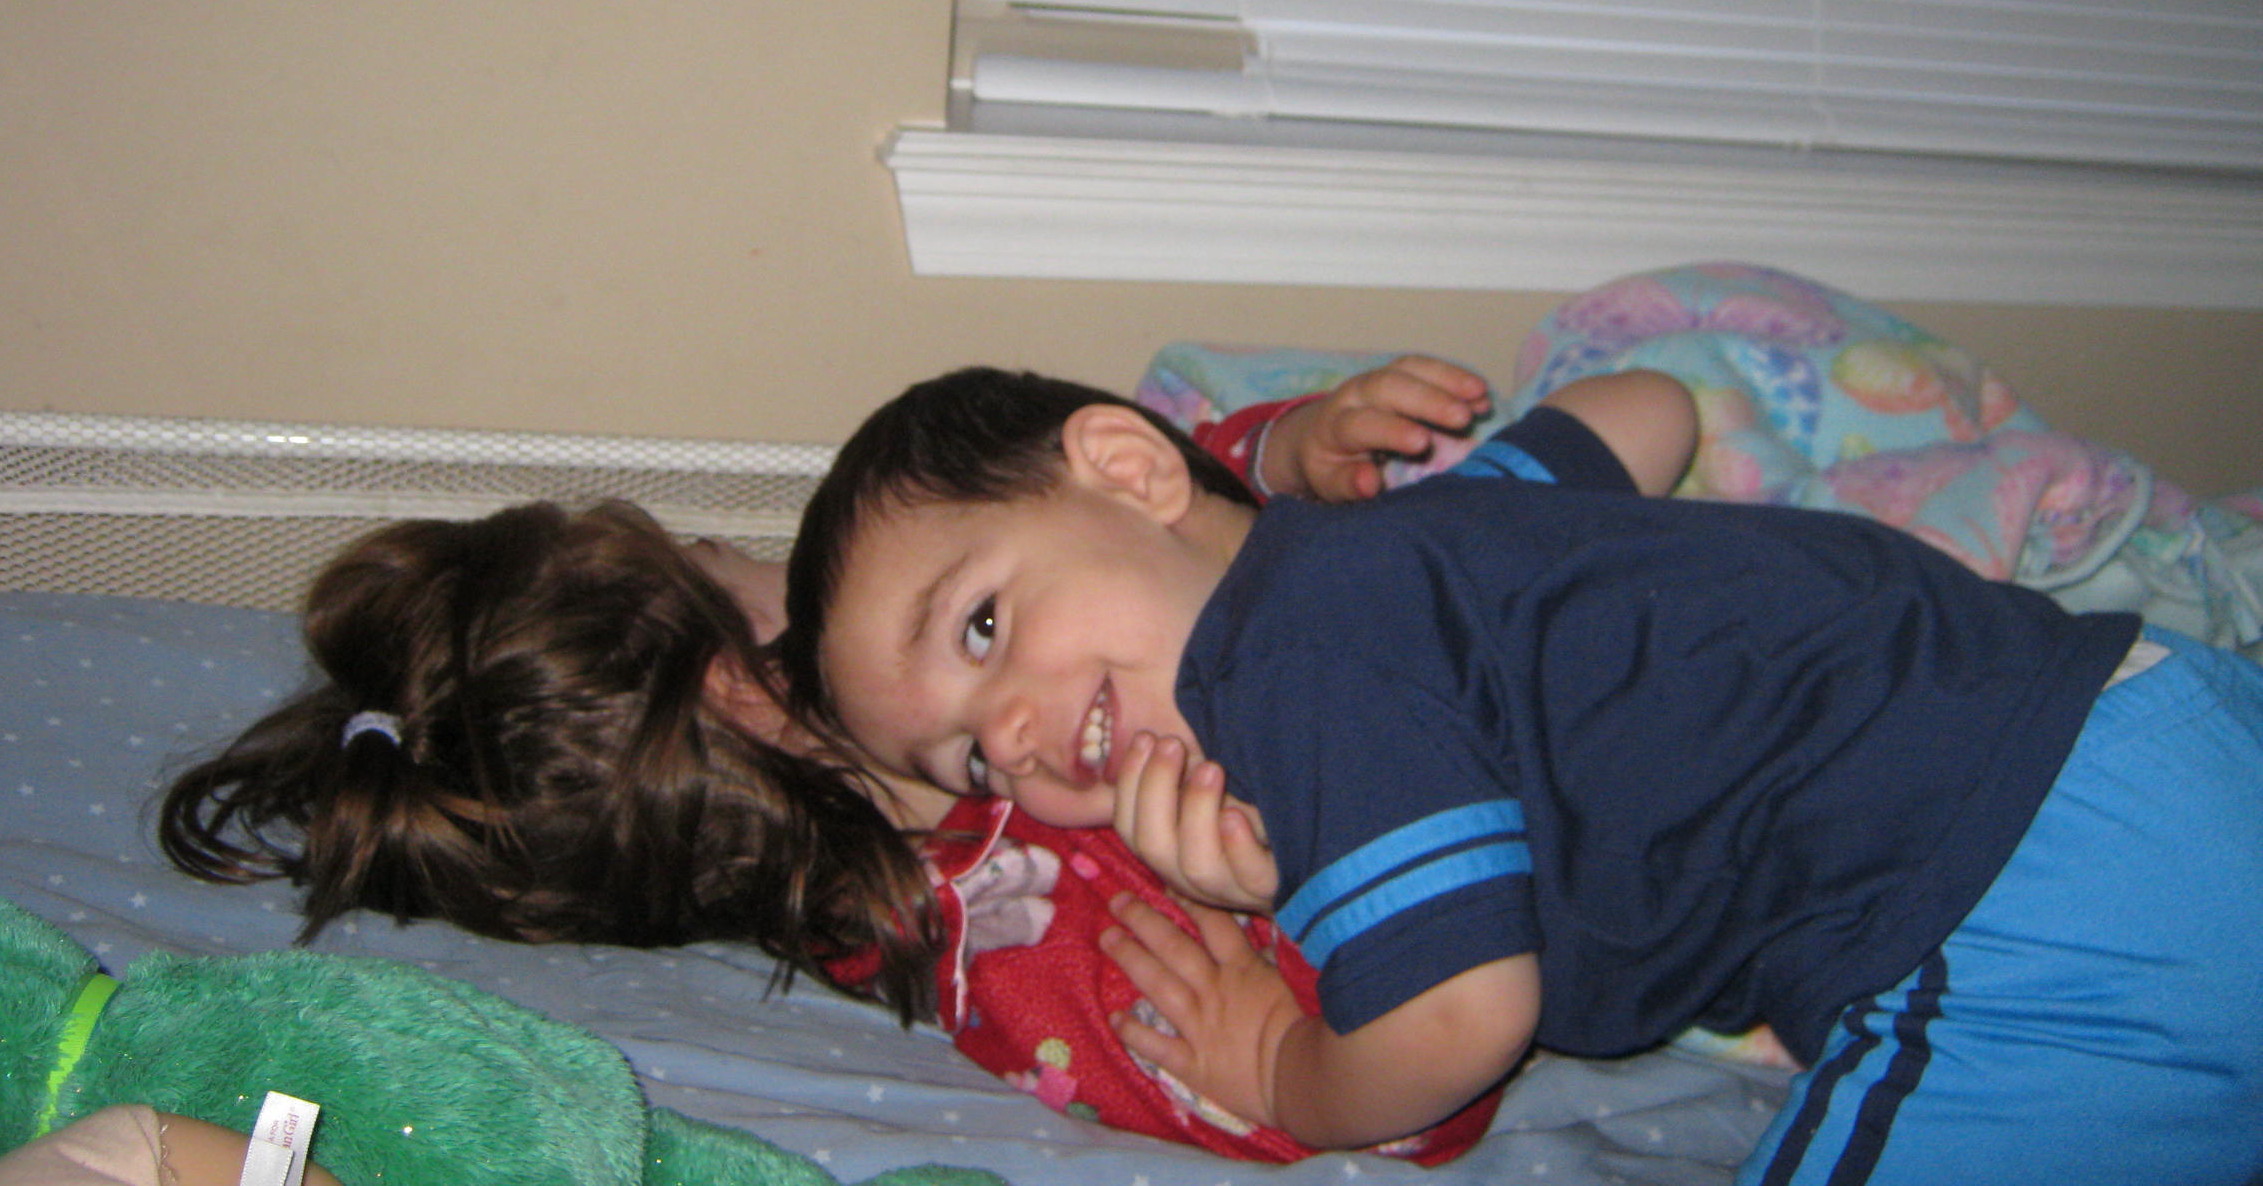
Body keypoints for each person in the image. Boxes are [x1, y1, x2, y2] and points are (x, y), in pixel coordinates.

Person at [775, 366, 2263, 1186]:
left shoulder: (1282, 671)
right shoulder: (1415, 547)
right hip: (2150, 716)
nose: (1017, 736)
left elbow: (1462, 1014)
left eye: (984, 626)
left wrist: (1283, 1065)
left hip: (2013, 898)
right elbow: (1651, 411)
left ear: (1131, 467)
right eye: (967, 756)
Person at [155, 356, 1563, 1162]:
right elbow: (1418, 1080)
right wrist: (1284, 946)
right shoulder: (1023, 953)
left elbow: (1133, 523)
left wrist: (1280, 456)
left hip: (1499, 612)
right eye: (723, 557)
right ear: (755, 688)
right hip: (1564, 795)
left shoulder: (957, 611)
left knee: (1612, 423)